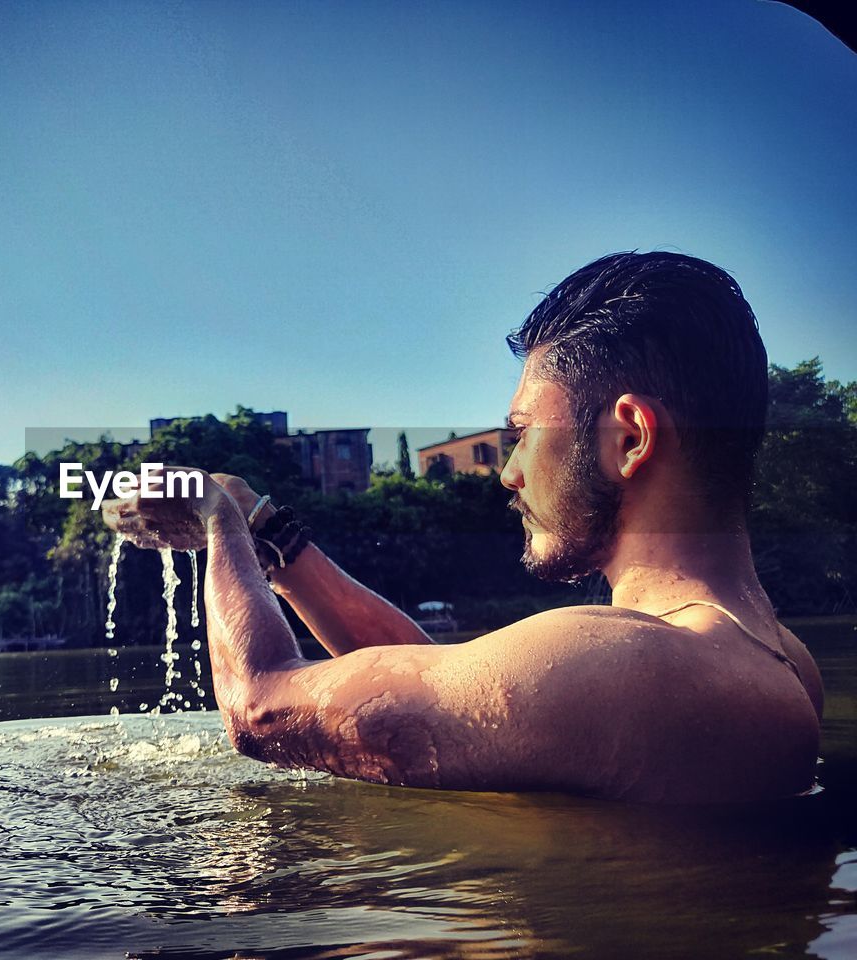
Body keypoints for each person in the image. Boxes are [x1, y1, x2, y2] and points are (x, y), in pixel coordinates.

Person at [103, 252, 823, 803]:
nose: (509, 472)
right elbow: (436, 685)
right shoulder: (773, 657)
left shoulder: (633, 663)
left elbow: (261, 708)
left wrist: (218, 519)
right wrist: (274, 540)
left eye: (523, 433)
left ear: (629, 437)